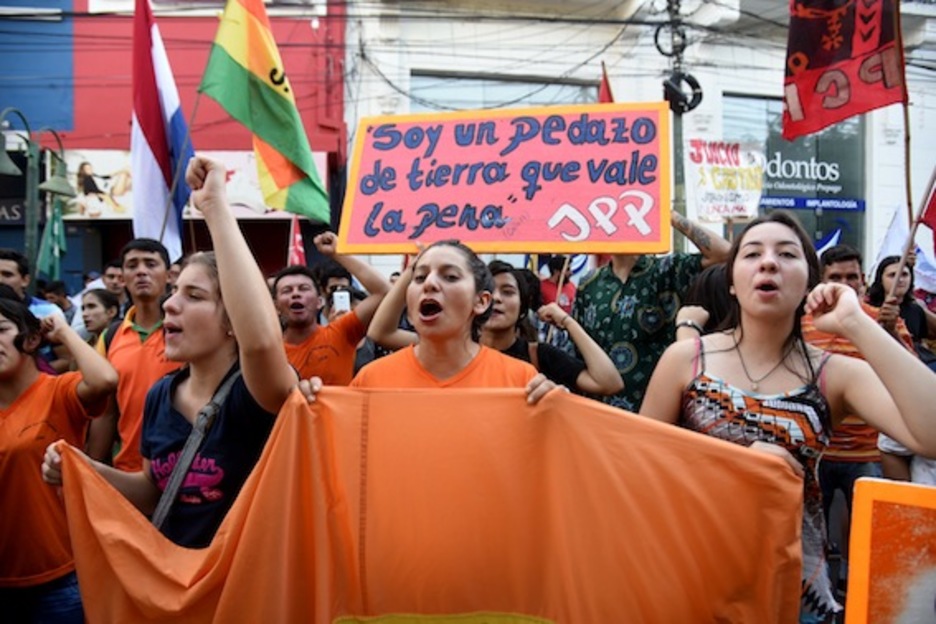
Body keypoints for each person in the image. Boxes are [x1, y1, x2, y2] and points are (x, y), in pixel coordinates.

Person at [640, 211, 936, 623]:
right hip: (696, 575)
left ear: (810, 282)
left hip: (795, 587)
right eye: (752, 254)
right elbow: (641, 468)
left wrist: (856, 323)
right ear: (732, 281)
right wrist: (735, 464)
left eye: (787, 254)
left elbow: (930, 435)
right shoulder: (686, 359)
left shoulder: (833, 374)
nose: (768, 262)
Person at [43, 154, 297, 549]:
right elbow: (152, 490)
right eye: (175, 292)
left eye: (193, 296)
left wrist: (213, 206)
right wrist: (84, 469)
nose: (170, 304)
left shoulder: (257, 392)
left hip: (247, 578)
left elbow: (262, 341)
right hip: (176, 576)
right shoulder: (160, 395)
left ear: (233, 320)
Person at [0, 302, 117, 623]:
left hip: (61, 577)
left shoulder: (57, 391)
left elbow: (105, 380)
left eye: (1, 330)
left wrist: (63, 331)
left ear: (31, 339)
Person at [341, 240, 557, 403]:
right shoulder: (370, 381)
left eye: (451, 277)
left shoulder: (521, 382)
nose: (429, 283)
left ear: (481, 302)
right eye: (419, 277)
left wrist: (557, 409)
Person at [368, 258, 623, 395]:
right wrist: (419, 266)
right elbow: (380, 332)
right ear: (478, 301)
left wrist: (567, 322)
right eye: (490, 292)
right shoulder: (448, 349)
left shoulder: (538, 357)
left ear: (523, 307)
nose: (497, 299)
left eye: (508, 291)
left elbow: (608, 382)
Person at [571, 212, 730, 411]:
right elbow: (578, 351)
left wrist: (666, 213)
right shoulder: (589, 283)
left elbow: (724, 254)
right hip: (598, 412)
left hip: (655, 412)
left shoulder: (667, 270)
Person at [84, 240, 180, 470]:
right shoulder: (110, 337)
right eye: (132, 265)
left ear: (169, 275)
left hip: (182, 471)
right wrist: (92, 470)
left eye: (151, 264)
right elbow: (106, 413)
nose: (141, 271)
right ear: (123, 277)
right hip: (127, 470)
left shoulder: (185, 329)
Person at [273, 233, 389, 385]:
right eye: (287, 290)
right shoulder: (269, 353)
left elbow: (384, 292)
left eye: (304, 288)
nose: (296, 294)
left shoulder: (342, 332)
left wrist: (338, 253)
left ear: (319, 301)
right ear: (275, 307)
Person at [867, 255, 936, 369]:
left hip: (921, 363)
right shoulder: (869, 308)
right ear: (881, 280)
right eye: (892, 275)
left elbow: (922, 340)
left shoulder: (916, 309)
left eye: (904, 274)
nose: (900, 279)